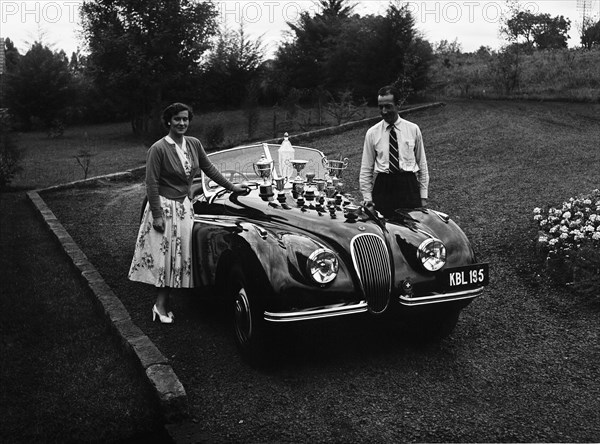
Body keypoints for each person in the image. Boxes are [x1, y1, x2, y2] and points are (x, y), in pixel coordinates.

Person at [128, 102, 248, 324]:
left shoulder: (194, 144)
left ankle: (166, 303)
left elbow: (209, 168)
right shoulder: (158, 148)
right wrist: (156, 214)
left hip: (183, 208)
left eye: (185, 119)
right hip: (164, 207)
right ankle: (160, 306)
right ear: (168, 122)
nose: (182, 123)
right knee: (164, 258)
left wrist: (232, 187)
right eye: (177, 119)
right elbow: (151, 183)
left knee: (179, 257)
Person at [359, 85, 429, 218]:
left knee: (412, 231)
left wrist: (423, 196)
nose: (384, 111)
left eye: (388, 106)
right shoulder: (372, 133)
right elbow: (366, 168)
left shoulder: (413, 129)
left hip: (408, 187)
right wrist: (367, 197)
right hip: (383, 188)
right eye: (381, 107)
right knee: (385, 229)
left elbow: (422, 164)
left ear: (398, 105)